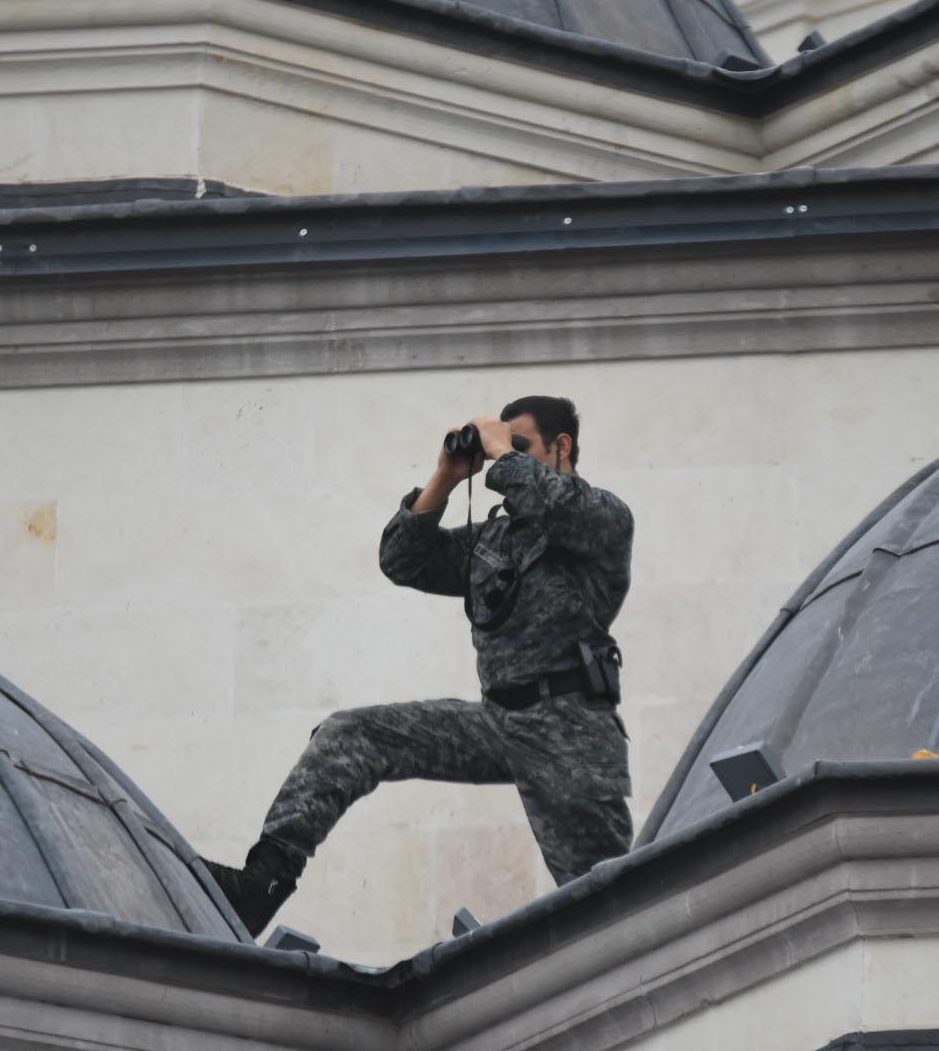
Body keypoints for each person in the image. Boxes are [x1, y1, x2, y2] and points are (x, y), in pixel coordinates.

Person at [203, 395, 635, 938]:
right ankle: (260, 885)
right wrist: (447, 478)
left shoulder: (601, 518)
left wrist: (500, 453)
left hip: (570, 731)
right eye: (505, 447)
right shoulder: (494, 539)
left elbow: (557, 503)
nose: (505, 456)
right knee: (351, 734)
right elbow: (403, 560)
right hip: (498, 722)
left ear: (562, 447)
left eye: (521, 445)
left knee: (606, 906)